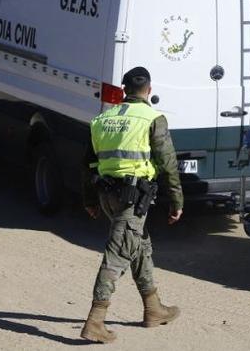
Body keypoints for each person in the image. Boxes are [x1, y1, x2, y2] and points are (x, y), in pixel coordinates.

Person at [79, 66, 183, 344]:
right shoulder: (152, 117)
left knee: (138, 245)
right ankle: (95, 320)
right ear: (149, 90)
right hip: (133, 197)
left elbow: (88, 163)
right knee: (119, 252)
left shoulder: (103, 118)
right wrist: (177, 200)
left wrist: (89, 199)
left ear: (124, 90)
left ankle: (154, 308)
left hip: (107, 195)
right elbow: (168, 163)